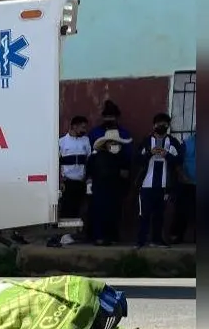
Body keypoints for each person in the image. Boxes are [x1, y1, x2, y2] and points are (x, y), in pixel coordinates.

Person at [135, 113, 183, 248]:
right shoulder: (146, 141)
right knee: (144, 214)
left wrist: (166, 155)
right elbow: (137, 159)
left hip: (164, 185)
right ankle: (141, 241)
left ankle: (156, 240)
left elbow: (179, 160)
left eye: (165, 124)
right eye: (159, 123)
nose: (162, 126)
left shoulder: (173, 142)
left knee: (159, 214)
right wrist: (150, 153)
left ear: (168, 126)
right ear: (154, 125)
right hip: (146, 184)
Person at [86, 100, 132, 242]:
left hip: (115, 186)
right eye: (107, 116)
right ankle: (98, 236)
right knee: (99, 210)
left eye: (112, 116)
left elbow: (127, 162)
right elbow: (91, 168)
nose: (109, 119)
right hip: (100, 186)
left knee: (114, 210)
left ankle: (111, 236)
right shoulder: (96, 154)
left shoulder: (121, 149)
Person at [58, 115, 91, 220]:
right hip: (67, 183)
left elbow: (89, 160)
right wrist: (60, 181)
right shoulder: (61, 142)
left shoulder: (86, 141)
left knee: (78, 210)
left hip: (81, 182)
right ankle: (64, 234)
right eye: (82, 127)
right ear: (74, 127)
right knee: (66, 209)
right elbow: (56, 163)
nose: (84, 130)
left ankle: (73, 234)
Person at [169, 131, 196, 244]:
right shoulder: (187, 143)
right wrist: (182, 176)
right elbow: (178, 162)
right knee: (181, 211)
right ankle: (176, 235)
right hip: (187, 183)